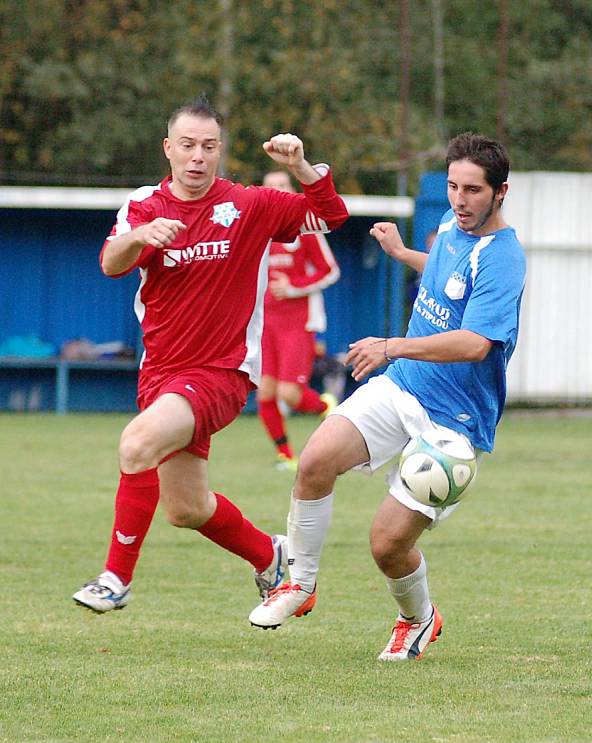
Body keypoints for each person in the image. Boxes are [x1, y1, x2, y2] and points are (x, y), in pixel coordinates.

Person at [249, 132, 526, 662]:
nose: (459, 200)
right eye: (452, 186)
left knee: (387, 544)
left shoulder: (505, 259)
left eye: (472, 190)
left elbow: (475, 342)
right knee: (314, 462)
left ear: (500, 192)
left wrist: (393, 345)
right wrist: (403, 254)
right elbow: (449, 277)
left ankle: (418, 618)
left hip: (455, 423)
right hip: (404, 387)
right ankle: (300, 585)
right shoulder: (450, 224)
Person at [72, 93, 348, 614]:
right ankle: (271, 555)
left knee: (136, 447)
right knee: (187, 508)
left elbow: (331, 215)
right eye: (188, 146)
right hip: (160, 374)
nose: (198, 156)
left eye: (209, 146)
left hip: (223, 371)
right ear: (168, 149)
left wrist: (301, 166)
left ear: (220, 151)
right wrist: (140, 236)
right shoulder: (144, 206)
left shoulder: (249, 205)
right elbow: (110, 262)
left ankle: (115, 579)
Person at [257, 169, 341, 471]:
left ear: (292, 190)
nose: (277, 192)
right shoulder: (257, 229)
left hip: (298, 322)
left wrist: (293, 288)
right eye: (270, 187)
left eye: (282, 186)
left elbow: (330, 270)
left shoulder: (305, 228)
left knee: (288, 394)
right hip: (265, 323)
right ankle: (286, 456)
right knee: (264, 392)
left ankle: (325, 405)